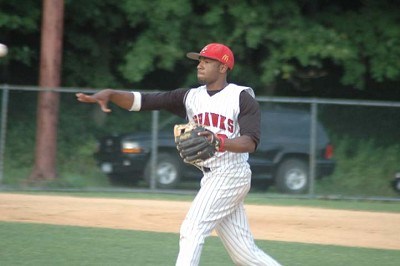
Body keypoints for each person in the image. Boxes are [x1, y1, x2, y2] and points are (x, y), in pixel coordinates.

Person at [76, 43, 281, 266]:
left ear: (223, 67)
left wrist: (219, 141)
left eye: (207, 61)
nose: (200, 64)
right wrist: (112, 94)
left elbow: (250, 142)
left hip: (231, 173)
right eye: (199, 60)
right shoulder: (190, 97)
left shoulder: (240, 97)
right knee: (245, 254)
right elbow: (145, 101)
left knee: (191, 230)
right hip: (212, 176)